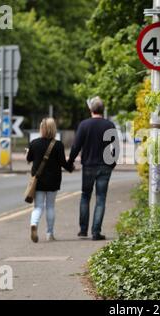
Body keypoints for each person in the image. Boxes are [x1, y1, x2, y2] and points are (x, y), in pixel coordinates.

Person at [67, 97, 119, 240]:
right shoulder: (109, 125)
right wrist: (112, 163)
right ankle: (96, 232)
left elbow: (76, 146)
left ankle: (83, 230)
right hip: (105, 166)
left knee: (85, 196)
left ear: (91, 110)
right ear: (102, 110)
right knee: (100, 198)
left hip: (88, 165)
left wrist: (70, 162)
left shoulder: (84, 125)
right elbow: (115, 147)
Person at [26, 118, 73, 243]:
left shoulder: (34, 143)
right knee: (50, 206)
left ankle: (34, 224)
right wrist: (71, 167)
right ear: (54, 129)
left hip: (38, 180)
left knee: (38, 206)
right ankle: (49, 234)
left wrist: (29, 152)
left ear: (41, 128)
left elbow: (29, 159)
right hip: (53, 180)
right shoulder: (58, 145)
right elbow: (63, 163)